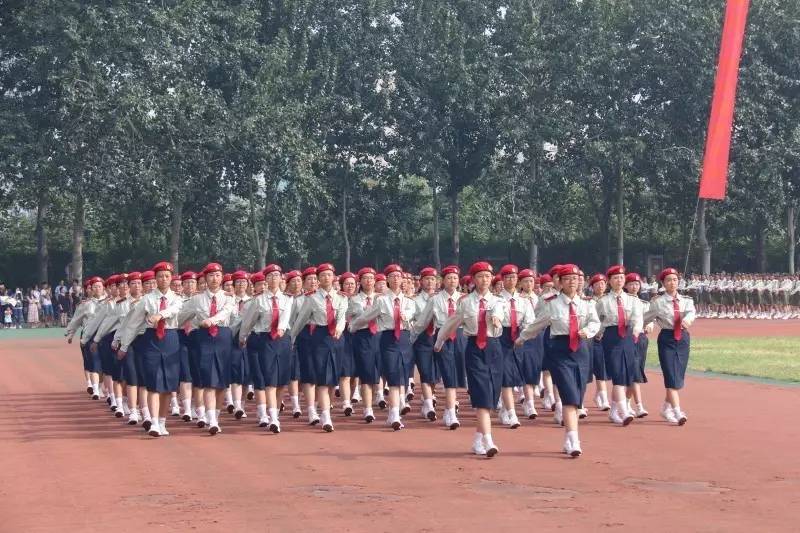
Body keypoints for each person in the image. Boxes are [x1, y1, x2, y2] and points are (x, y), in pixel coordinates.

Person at [516, 264, 601, 457]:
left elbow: (595, 322)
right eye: (568, 279)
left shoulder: (587, 303)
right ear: (560, 283)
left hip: (580, 349)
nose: (573, 282)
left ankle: (570, 437)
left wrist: (587, 331)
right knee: (569, 395)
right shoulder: (551, 303)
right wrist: (522, 338)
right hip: (560, 351)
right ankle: (573, 438)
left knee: (578, 395)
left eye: (575, 278)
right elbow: (537, 325)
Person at [435, 262, 505, 457]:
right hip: (474, 348)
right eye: (480, 276)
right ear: (473, 279)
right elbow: (451, 323)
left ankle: (477, 439)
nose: (484, 280)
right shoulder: (465, 302)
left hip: (494, 348)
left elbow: (500, 314)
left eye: (487, 276)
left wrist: (497, 319)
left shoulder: (498, 301)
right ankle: (489, 440)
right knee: (482, 395)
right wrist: (439, 341)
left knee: (491, 396)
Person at [117, 262, 183, 438]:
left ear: (171, 278)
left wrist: (160, 315)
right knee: (153, 383)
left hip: (170, 339)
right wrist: (124, 345)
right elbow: (133, 324)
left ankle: (162, 421)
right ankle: (153, 422)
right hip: (151, 341)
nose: (164, 279)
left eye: (167, 276)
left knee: (169, 385)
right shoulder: (146, 299)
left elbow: (176, 309)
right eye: (160, 276)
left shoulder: (177, 298)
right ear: (156, 279)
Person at [350, 264, 417, 431]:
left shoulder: (409, 301)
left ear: (402, 280)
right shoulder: (381, 301)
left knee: (402, 374)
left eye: (398, 276)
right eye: (392, 276)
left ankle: (397, 408)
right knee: (393, 375)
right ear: (387, 279)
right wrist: (353, 326)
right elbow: (366, 317)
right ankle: (394, 413)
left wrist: (405, 316)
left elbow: (411, 315)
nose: (395, 279)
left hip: (404, 338)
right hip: (387, 338)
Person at [177, 263, 235, 435]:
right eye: (211, 275)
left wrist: (212, 320)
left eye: (217, 275)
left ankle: (215, 414)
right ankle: (212, 421)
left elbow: (226, 313)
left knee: (222, 383)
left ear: (222, 277)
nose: (214, 279)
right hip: (204, 338)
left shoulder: (229, 297)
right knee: (209, 379)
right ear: (205, 279)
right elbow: (182, 317)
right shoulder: (196, 299)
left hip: (223, 336)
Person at [290, 263, 348, 432]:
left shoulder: (341, 298)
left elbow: (342, 317)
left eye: (328, 275)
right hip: (319, 338)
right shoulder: (311, 298)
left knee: (332, 380)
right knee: (322, 378)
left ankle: (325, 409)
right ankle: (325, 416)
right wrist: (292, 338)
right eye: (321, 275)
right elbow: (301, 320)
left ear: (334, 277)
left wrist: (339, 329)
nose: (325, 278)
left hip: (336, 339)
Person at [238, 264, 292, 433]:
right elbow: (248, 321)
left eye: (277, 275)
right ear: (266, 279)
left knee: (281, 380)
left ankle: (274, 411)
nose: (273, 278)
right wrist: (242, 337)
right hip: (263, 339)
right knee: (269, 379)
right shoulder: (258, 300)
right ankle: (273, 418)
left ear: (281, 278)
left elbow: (285, 317)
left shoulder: (287, 299)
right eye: (270, 276)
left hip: (282, 340)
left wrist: (282, 329)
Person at [413, 264, 462, 429]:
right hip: (439, 338)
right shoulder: (434, 300)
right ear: (443, 281)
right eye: (449, 278)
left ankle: (450, 407)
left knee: (454, 374)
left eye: (455, 278)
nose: (452, 281)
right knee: (445, 375)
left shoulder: (464, 299)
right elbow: (421, 323)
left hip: (460, 338)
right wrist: (410, 339)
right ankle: (448, 411)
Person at [644, 268, 695, 426]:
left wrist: (688, 320)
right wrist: (646, 326)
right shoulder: (658, 302)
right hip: (667, 338)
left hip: (683, 338)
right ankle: (677, 411)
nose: (672, 283)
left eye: (674, 279)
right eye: (668, 280)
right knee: (671, 375)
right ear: (662, 283)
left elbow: (691, 312)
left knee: (678, 375)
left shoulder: (687, 300)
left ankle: (666, 408)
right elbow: (646, 318)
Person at [595, 265, 643, 426]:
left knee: (626, 374)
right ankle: (623, 411)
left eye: (621, 277)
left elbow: (637, 318)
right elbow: (598, 321)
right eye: (615, 278)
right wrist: (596, 334)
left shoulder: (633, 300)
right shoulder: (603, 301)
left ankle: (614, 411)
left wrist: (636, 331)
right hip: (611, 336)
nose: (619, 280)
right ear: (609, 281)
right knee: (617, 374)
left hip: (628, 336)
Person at [411, 267, 440, 421]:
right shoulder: (414, 301)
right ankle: (428, 404)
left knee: (435, 373)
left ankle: (428, 398)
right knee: (425, 371)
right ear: (421, 282)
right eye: (427, 279)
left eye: (433, 279)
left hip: (439, 337)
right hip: (422, 339)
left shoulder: (441, 299)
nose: (430, 282)